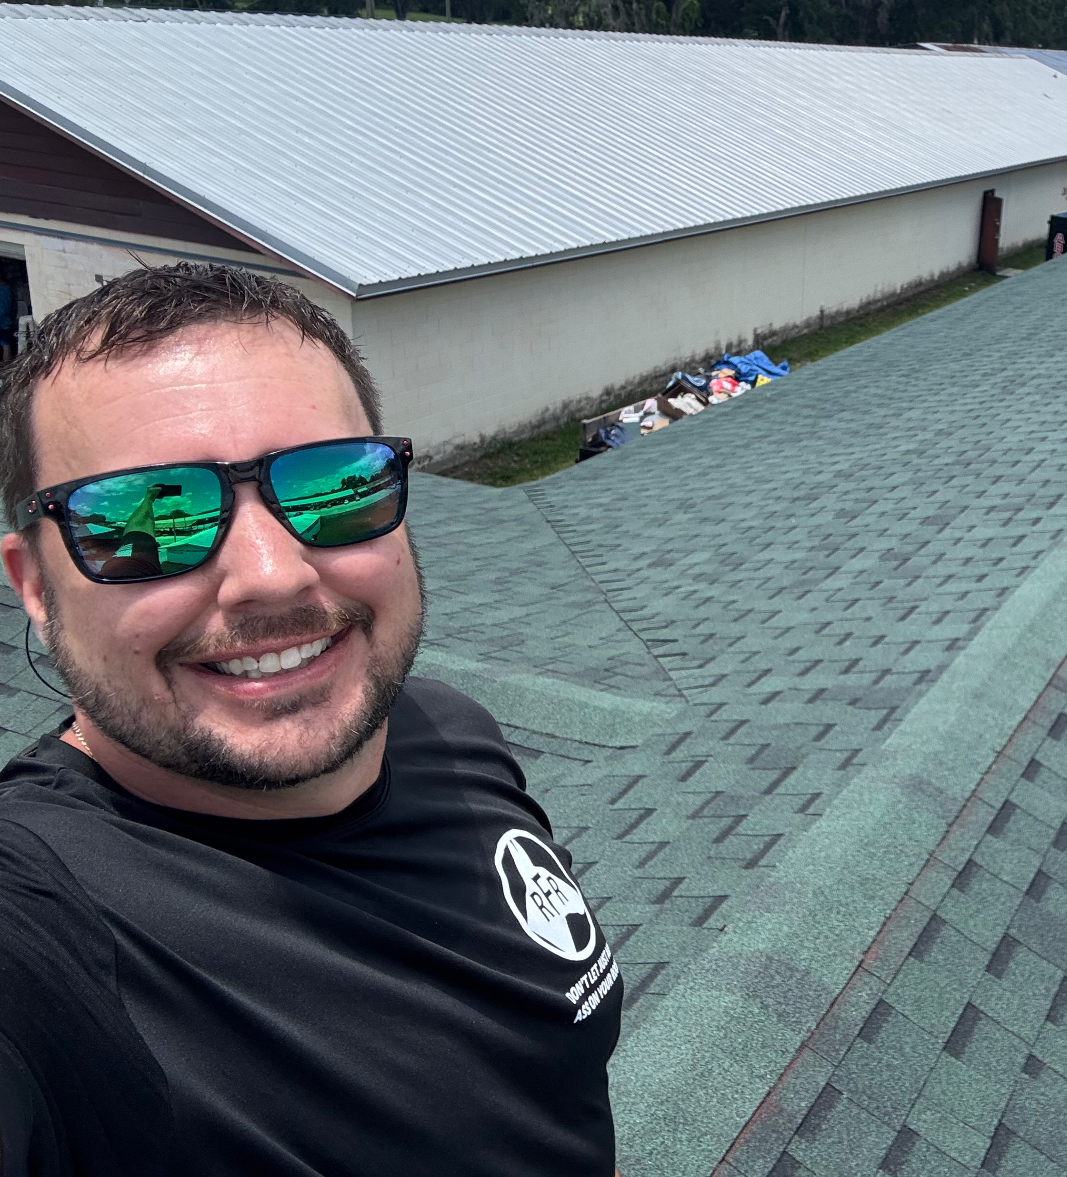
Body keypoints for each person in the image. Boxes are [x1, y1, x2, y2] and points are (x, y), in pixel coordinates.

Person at [0, 264, 621, 1175]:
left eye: (334, 484)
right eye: (146, 518)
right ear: (36, 588)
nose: (273, 573)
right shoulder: (39, 933)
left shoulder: (448, 733)